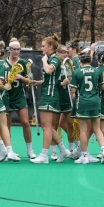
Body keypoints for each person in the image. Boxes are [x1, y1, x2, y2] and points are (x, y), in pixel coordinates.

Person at [31, 34, 71, 164]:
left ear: (50, 47)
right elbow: (50, 77)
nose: (41, 48)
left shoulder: (53, 58)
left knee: (46, 126)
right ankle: (63, 150)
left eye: (43, 46)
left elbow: (49, 70)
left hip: (50, 95)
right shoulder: (51, 57)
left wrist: (43, 61)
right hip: (49, 93)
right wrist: (39, 82)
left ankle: (44, 155)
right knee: (49, 127)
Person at [69, 49, 104, 164]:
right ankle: (103, 149)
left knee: (83, 130)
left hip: (82, 102)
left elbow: (73, 89)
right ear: (91, 60)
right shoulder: (96, 71)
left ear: (80, 60)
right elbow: (102, 87)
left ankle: (84, 156)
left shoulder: (77, 72)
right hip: (95, 101)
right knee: (97, 128)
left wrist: (72, 89)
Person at [5, 38, 36, 159]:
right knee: (6, 125)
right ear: (9, 50)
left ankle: (30, 150)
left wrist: (21, 77)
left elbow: (29, 80)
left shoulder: (22, 63)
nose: (16, 51)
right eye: (14, 49)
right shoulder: (4, 63)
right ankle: (9, 151)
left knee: (25, 122)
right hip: (6, 96)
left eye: (18, 49)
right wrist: (8, 79)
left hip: (19, 96)